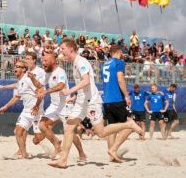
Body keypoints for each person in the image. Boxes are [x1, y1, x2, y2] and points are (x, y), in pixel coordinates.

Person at [48, 40, 143, 168]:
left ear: (71, 48)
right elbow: (86, 84)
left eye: (63, 48)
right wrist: (76, 96)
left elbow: (86, 81)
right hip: (81, 101)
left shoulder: (81, 61)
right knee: (68, 128)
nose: (61, 51)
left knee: (101, 133)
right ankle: (63, 160)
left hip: (91, 102)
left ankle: (129, 124)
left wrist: (70, 91)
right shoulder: (75, 63)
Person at [29, 53, 86, 160]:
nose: (43, 63)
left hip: (65, 106)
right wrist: (32, 78)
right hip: (54, 106)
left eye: (45, 61)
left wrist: (45, 92)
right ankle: (57, 146)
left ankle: (81, 153)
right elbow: (39, 85)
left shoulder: (60, 71)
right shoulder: (47, 74)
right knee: (42, 125)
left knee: (70, 133)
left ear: (53, 61)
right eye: (43, 61)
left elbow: (60, 86)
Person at [101, 44, 141, 163]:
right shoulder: (119, 62)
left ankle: (112, 156)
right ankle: (114, 149)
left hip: (107, 100)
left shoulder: (104, 65)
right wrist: (127, 96)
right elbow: (120, 79)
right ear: (119, 51)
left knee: (112, 128)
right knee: (131, 124)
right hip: (117, 99)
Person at [0, 52, 45, 149]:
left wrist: (37, 105)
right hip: (27, 109)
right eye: (26, 58)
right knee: (19, 130)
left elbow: (40, 89)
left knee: (38, 137)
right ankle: (22, 151)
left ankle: (48, 134)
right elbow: (17, 89)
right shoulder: (23, 78)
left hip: (36, 107)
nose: (27, 60)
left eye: (29, 58)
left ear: (34, 60)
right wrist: (6, 104)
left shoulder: (37, 73)